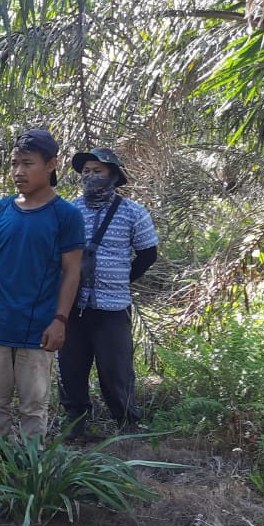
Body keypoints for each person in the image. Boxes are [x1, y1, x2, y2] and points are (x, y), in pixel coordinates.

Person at [0, 129, 84, 442]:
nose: (18, 171)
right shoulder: (1, 210)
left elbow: (72, 271)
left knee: (34, 404)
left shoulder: (66, 215)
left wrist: (60, 320)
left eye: (27, 163)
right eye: (15, 163)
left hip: (39, 327)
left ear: (51, 165)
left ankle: (32, 467)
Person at [58, 147, 159, 437]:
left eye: (97, 171)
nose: (90, 177)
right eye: (86, 172)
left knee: (115, 368)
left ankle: (127, 424)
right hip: (73, 305)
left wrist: (123, 279)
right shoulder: (70, 211)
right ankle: (75, 424)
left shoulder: (133, 212)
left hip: (113, 305)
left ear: (113, 177)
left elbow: (148, 253)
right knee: (70, 366)